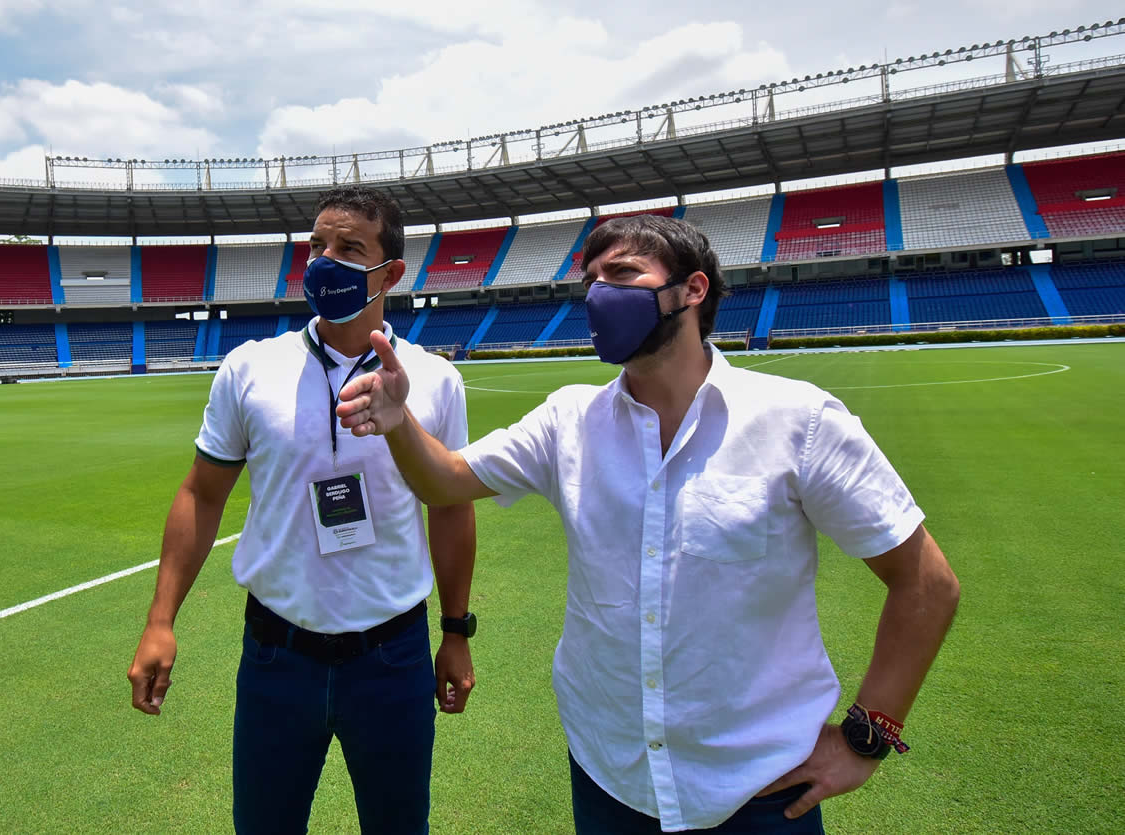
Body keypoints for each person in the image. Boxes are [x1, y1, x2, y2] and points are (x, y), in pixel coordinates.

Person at [335, 215, 961, 834]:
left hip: (761, 790)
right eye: (592, 280)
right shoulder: (567, 421)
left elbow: (927, 584)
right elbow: (443, 480)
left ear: (693, 290)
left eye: (623, 273)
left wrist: (867, 736)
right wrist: (398, 422)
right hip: (610, 775)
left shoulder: (799, 421)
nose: (600, 292)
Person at [127, 186, 478, 835]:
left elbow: (451, 509)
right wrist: (160, 618)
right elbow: (202, 495)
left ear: (391, 273)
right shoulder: (249, 370)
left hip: (392, 656)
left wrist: (455, 631)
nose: (325, 260)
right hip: (276, 656)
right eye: (317, 244)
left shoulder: (434, 380)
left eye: (349, 248)